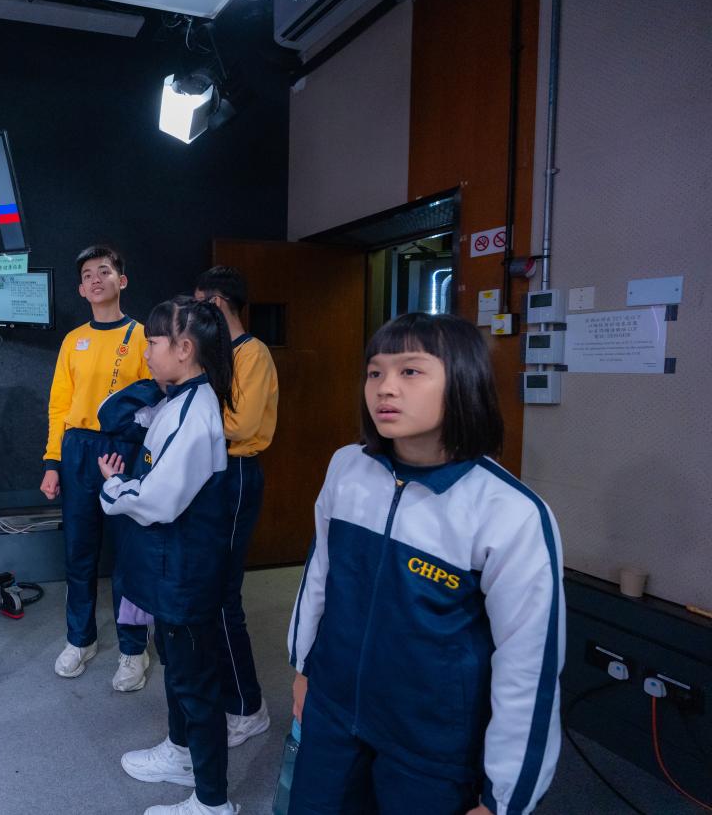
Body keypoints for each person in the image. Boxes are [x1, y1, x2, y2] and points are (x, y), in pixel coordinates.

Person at [286, 312, 564, 815]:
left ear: (462, 381)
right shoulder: (347, 467)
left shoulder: (510, 512)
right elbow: (318, 576)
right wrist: (303, 668)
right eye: (375, 372)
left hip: (430, 744)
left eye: (410, 371)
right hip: (332, 709)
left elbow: (529, 666)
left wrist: (506, 799)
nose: (385, 388)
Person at [98, 296, 241, 815]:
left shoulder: (194, 413)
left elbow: (158, 499)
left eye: (154, 342)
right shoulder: (178, 400)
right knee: (179, 669)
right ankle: (181, 754)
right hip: (169, 564)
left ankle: (213, 802)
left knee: (194, 682)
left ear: (184, 349)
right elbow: (121, 422)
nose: (147, 352)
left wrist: (114, 488)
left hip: (184, 569)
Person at [41, 244, 153, 691]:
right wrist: (53, 462)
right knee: (79, 553)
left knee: (129, 555)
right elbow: (59, 406)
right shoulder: (73, 340)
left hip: (123, 449)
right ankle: (80, 639)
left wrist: (133, 444)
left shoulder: (143, 336)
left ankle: (134, 648)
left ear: (120, 281)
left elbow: (156, 399)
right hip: (77, 450)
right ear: (81, 289)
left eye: (103, 271)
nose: (95, 279)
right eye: (87, 275)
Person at [194, 266, 278, 747]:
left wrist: (187, 421)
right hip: (213, 470)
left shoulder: (253, 353)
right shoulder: (218, 353)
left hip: (238, 473)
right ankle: (227, 695)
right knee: (209, 590)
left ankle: (249, 708)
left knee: (225, 596)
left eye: (200, 303)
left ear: (218, 302)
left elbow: (242, 425)